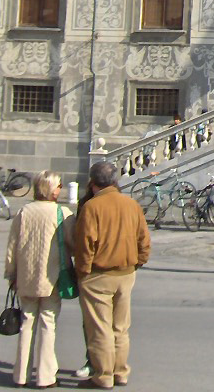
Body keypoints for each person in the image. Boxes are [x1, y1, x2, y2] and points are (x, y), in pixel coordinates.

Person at [74, 160, 151, 390]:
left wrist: (83, 270)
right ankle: (121, 371)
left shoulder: (92, 207)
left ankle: (103, 375)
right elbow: (144, 240)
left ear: (93, 183)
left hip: (98, 274)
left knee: (100, 328)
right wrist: (138, 261)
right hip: (126, 273)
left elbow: (85, 243)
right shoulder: (131, 205)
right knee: (121, 327)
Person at [5, 171, 70, 389]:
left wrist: (11, 274)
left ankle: (21, 375)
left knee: (27, 324)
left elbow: (12, 246)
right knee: (47, 324)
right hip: (51, 277)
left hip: (26, 276)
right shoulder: (62, 212)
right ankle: (45, 376)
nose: (61, 189)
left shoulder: (24, 212)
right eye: (59, 185)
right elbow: (71, 242)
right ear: (51, 189)